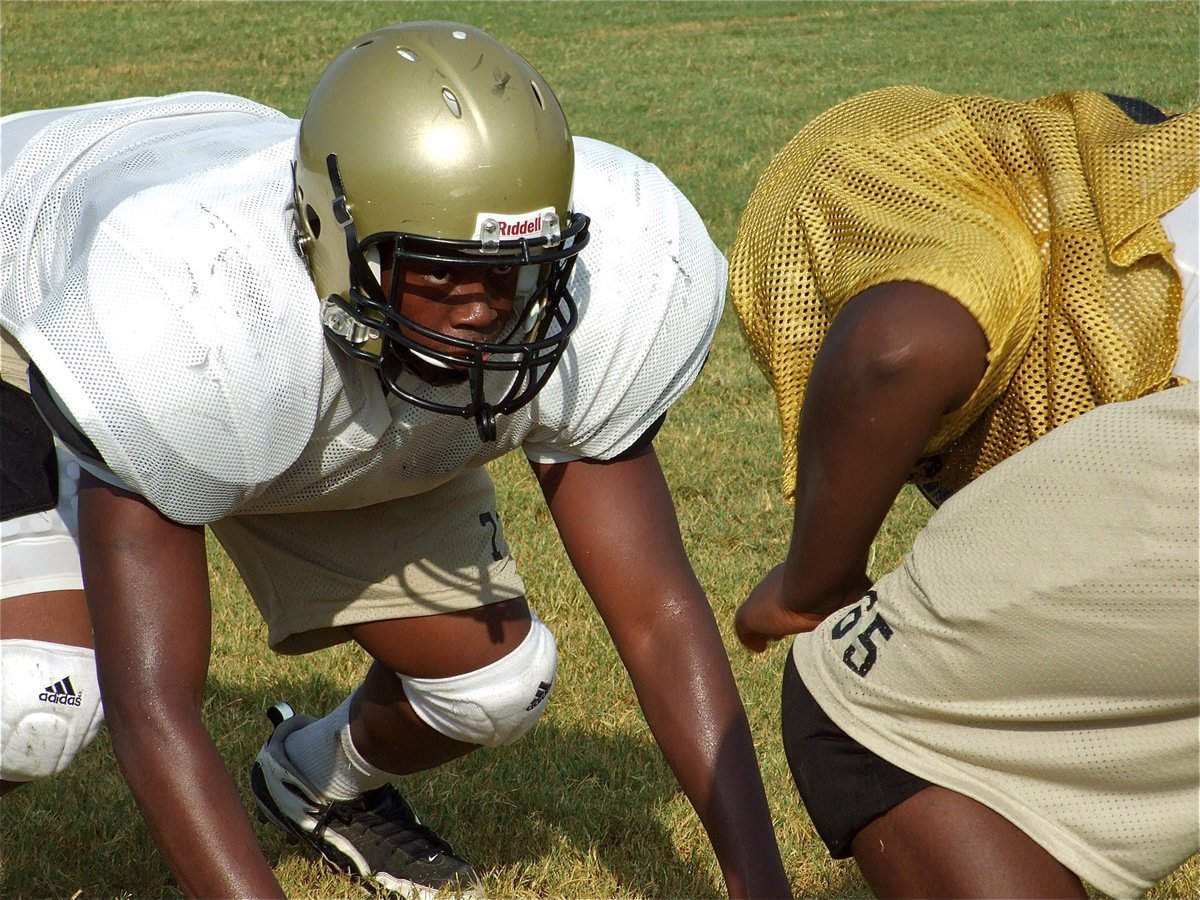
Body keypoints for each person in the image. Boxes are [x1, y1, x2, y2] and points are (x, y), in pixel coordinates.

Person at [0, 22, 791, 899]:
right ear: (337, 240)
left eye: (516, 272)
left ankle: (315, 782)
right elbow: (154, 712)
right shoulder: (180, 310)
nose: (486, 313)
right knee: (35, 701)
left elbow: (656, 614)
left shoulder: (600, 268)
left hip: (302, 350)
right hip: (35, 295)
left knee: (497, 685)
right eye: (446, 275)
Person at [728, 85, 1198, 898]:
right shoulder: (1136, 192)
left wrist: (817, 582)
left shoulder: (972, 220)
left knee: (851, 704)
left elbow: (892, 349)